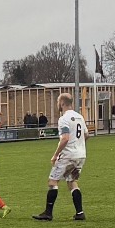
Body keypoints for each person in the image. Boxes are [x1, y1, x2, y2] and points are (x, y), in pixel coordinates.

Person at [33, 93, 88, 221]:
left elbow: (65, 138)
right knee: (72, 181)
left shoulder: (64, 119)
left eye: (58, 102)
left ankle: (48, 213)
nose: (57, 104)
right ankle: (80, 213)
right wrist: (78, 145)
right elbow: (86, 135)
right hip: (80, 155)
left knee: (52, 181)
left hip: (68, 156)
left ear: (62, 103)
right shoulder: (79, 117)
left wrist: (56, 154)